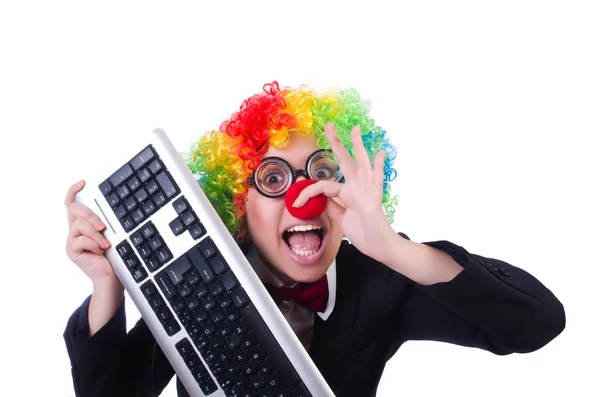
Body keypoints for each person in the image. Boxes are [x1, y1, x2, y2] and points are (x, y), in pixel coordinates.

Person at [63, 81, 565, 397]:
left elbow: (534, 324)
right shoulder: (201, 270)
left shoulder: (381, 282)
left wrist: (394, 249)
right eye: (273, 179)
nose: (305, 196)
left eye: (323, 173)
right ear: (240, 200)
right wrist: (109, 284)